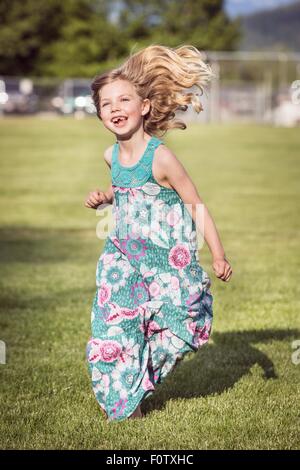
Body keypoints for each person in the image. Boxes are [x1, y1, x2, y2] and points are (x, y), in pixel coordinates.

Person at [84, 44, 233, 422]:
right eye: (106, 104)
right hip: (122, 259)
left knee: (182, 321)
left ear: (145, 106)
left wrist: (218, 254)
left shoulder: (161, 157)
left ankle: (139, 380)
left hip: (167, 261)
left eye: (123, 100)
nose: (115, 108)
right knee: (115, 328)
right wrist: (106, 198)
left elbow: (196, 204)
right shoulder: (110, 156)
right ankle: (124, 401)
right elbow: (125, 194)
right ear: (99, 112)